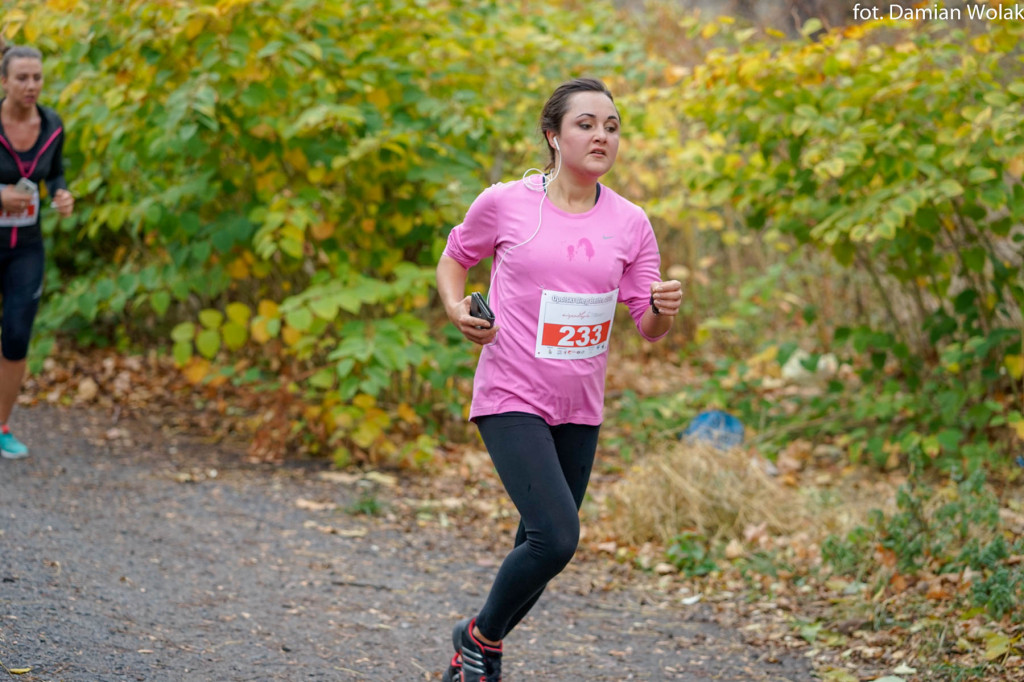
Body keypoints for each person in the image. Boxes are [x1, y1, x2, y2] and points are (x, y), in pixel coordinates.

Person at [435, 77, 682, 681]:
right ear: (553, 135)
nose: (602, 136)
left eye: (612, 127)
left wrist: (662, 308)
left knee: (540, 545)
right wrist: (456, 309)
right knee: (558, 537)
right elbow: (456, 257)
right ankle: (482, 642)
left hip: (579, 406)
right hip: (510, 393)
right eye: (586, 124)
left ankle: (473, 645)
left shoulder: (631, 222)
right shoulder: (506, 203)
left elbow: (647, 324)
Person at [0, 42, 74, 459]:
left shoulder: (52, 125)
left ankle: (1, 426)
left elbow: (56, 172)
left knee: (16, 336)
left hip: (26, 249)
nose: (31, 85)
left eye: (37, 77)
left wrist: (62, 194)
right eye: (22, 78)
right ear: (4, 81)